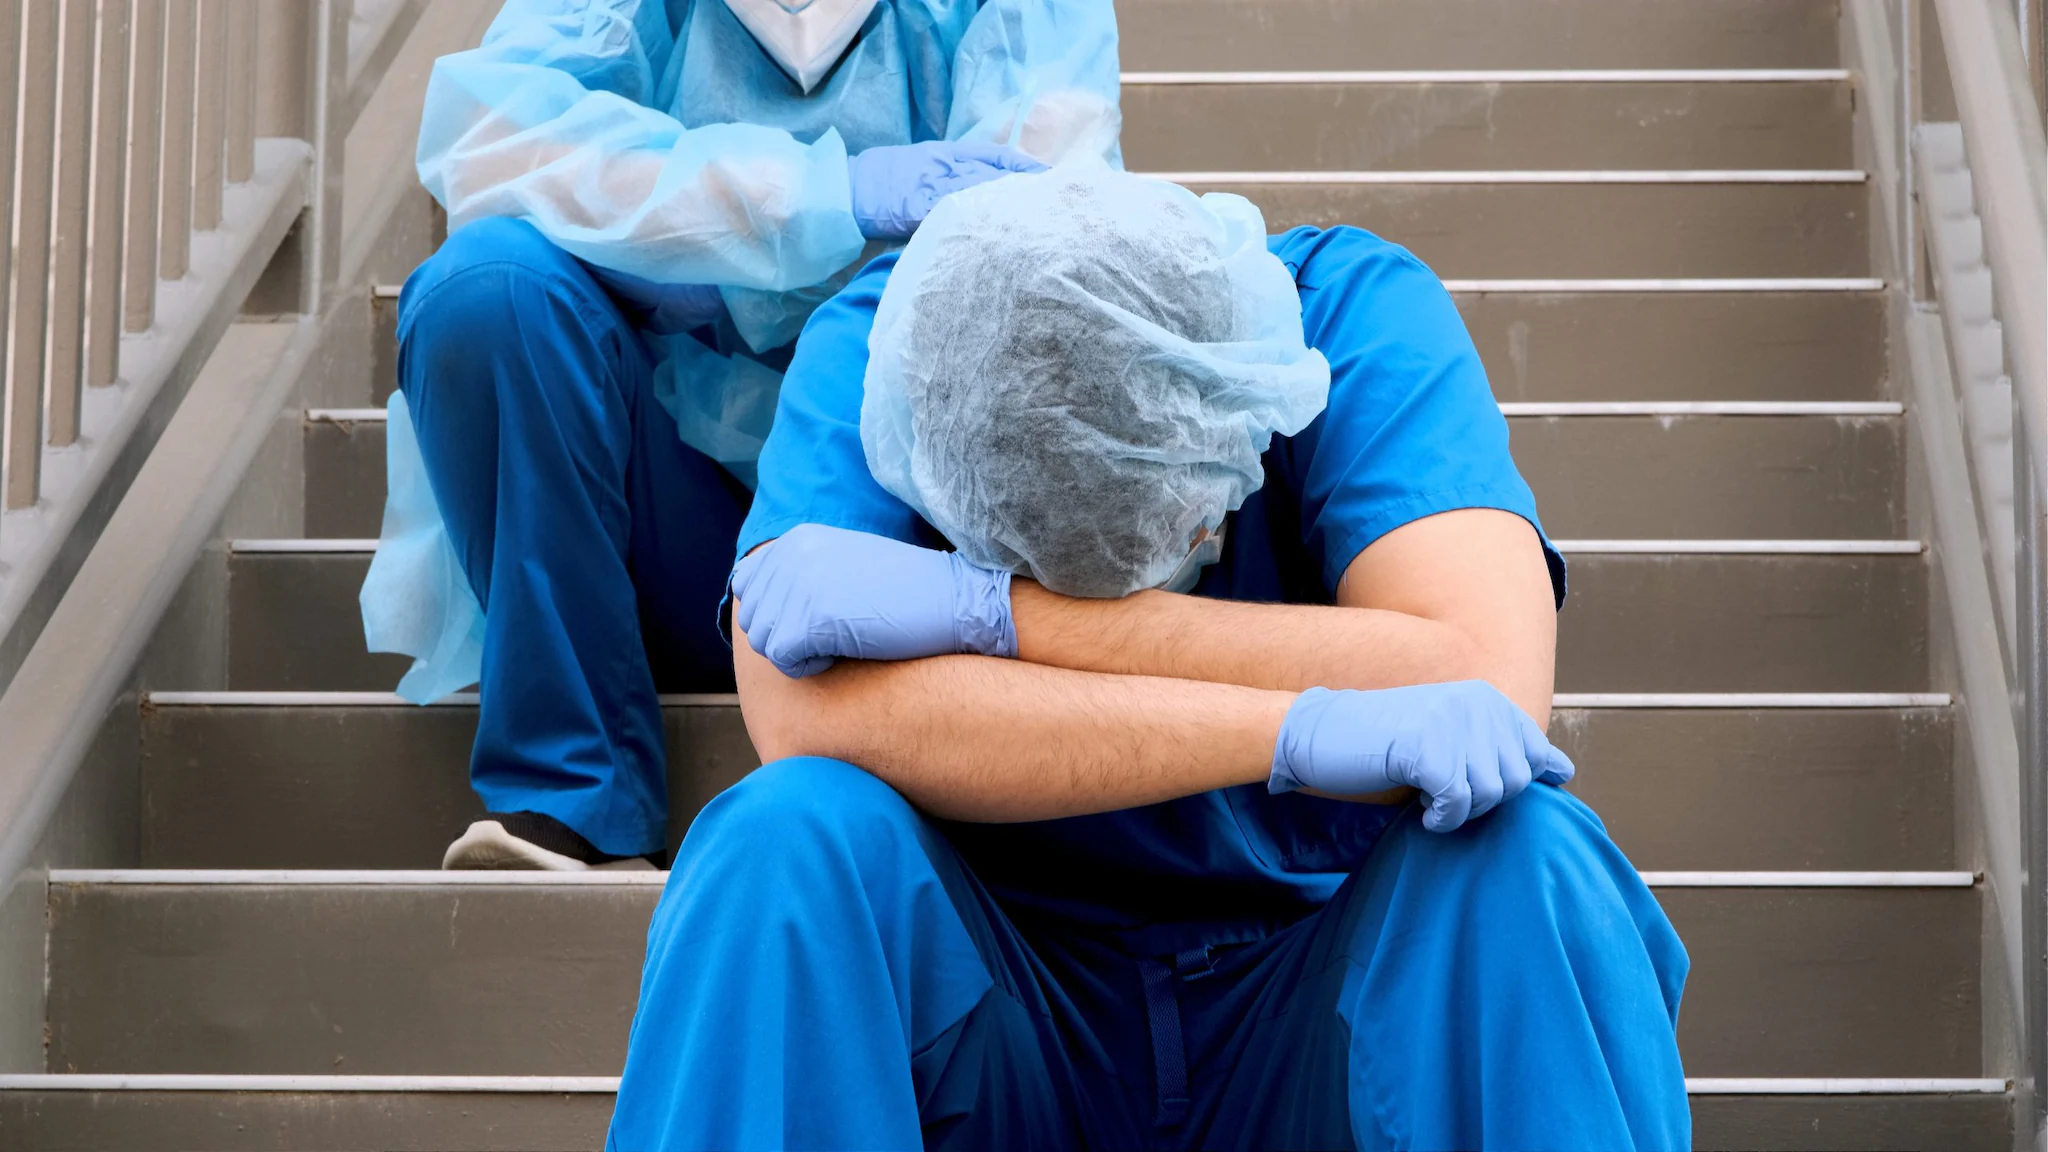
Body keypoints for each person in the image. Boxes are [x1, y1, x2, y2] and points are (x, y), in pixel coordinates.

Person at [607, 162, 1690, 1149]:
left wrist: (990, 614)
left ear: (1227, 472)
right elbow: (803, 717)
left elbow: (1483, 683)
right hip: (994, 1003)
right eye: (1026, 564)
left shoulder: (1348, 322)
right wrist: (1299, 720)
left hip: (1314, 1001)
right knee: (779, 842)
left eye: (1152, 555)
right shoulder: (905, 340)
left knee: (1524, 856)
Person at [358, 0, 1120, 869]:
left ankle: (965, 778)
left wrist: (713, 245)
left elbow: (1046, 212)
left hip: (897, 537)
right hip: (667, 531)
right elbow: (495, 142)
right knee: (485, 288)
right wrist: (823, 202)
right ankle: (575, 799)